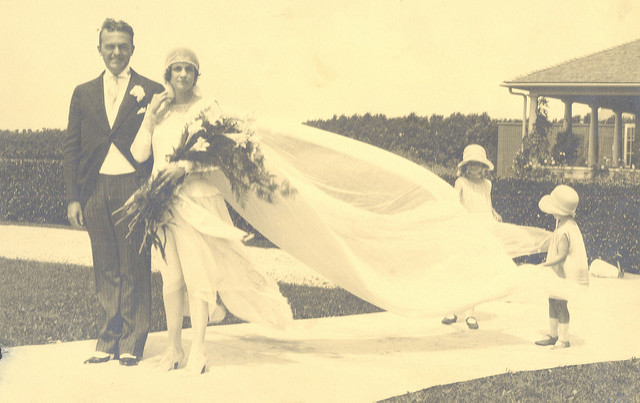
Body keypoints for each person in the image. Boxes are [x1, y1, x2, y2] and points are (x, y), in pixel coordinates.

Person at [130, 48, 293, 374]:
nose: (182, 75)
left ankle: (198, 351)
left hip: (194, 197)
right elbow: (139, 154)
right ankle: (174, 348)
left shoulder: (206, 110)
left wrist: (185, 166)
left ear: (196, 75)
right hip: (160, 202)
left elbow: (217, 155)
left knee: (196, 276)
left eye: (189, 70)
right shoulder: (159, 112)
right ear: (167, 74)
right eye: (176, 69)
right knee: (170, 278)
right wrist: (149, 116)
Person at [62, 18, 164, 366]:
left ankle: (134, 341)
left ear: (132, 49)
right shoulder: (83, 92)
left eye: (123, 46)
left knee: (134, 264)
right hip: (95, 189)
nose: (116, 52)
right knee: (105, 265)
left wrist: (153, 191)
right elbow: (71, 148)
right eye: (110, 46)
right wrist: (73, 197)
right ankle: (108, 338)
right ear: (100, 49)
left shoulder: (150, 90)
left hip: (133, 186)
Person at [441, 144, 500, 330]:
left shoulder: (486, 185)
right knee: (458, 272)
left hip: (482, 231)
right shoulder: (461, 183)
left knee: (475, 274)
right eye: (471, 164)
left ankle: (470, 313)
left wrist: (494, 214)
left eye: (478, 164)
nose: (475, 168)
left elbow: (486, 205)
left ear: (484, 167)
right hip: (464, 231)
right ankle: (453, 310)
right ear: (465, 167)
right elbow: (454, 203)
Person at [534, 185, 588, 349]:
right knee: (552, 300)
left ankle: (563, 339)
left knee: (560, 304)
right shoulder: (564, 224)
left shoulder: (565, 230)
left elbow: (562, 256)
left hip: (563, 273)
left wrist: (544, 264)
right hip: (557, 272)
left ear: (560, 211)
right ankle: (553, 333)